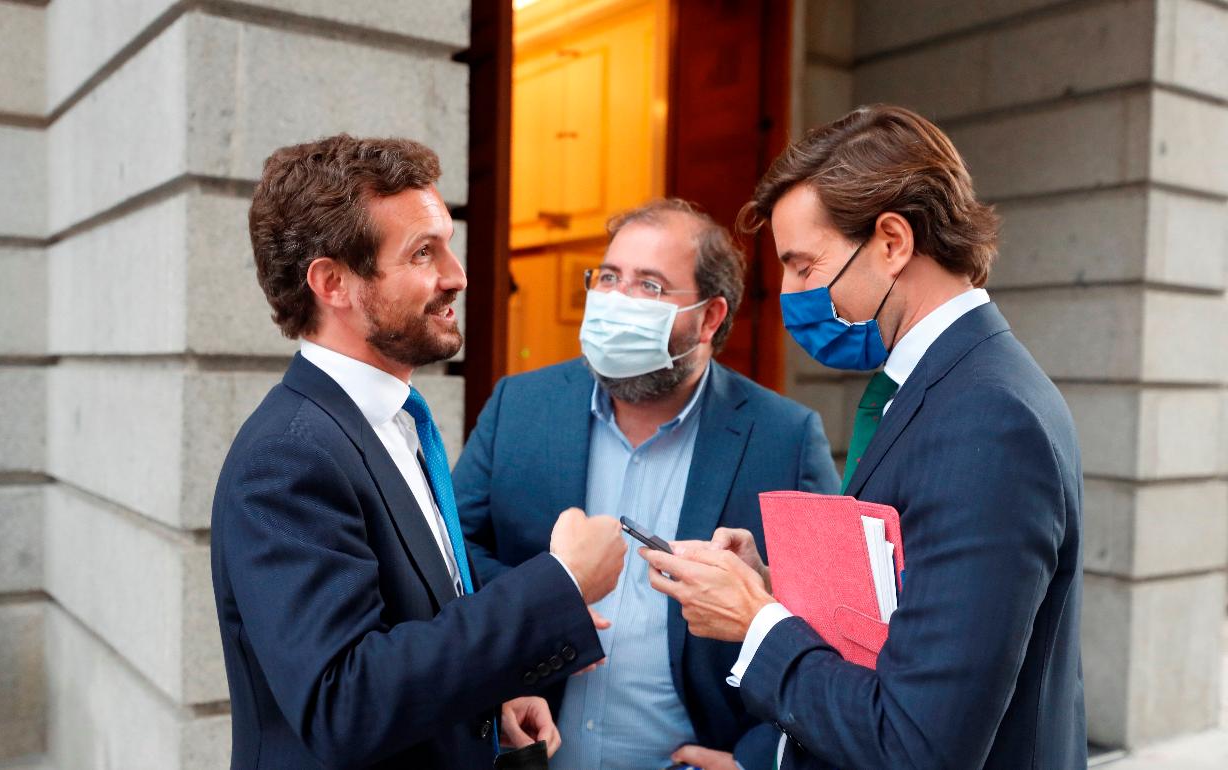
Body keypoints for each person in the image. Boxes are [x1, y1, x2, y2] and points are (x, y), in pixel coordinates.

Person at [641, 105, 1086, 769]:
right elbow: (915, 620)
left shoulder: (988, 419)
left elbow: (919, 744)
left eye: (804, 265)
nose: (789, 295)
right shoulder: (945, 386)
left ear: (891, 243)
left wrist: (755, 623)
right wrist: (774, 586)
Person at [211, 134, 627, 769]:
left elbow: (416, 626)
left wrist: (493, 691)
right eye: (423, 253)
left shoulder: (393, 421)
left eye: (447, 246)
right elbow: (341, 702)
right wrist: (559, 584)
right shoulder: (289, 455)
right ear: (333, 283)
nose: (456, 275)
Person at [454, 199, 840, 770]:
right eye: (608, 277)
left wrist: (758, 760)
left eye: (650, 286)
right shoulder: (520, 406)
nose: (616, 300)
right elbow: (452, 555)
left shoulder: (783, 438)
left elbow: (829, 625)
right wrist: (522, 638)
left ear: (710, 318)